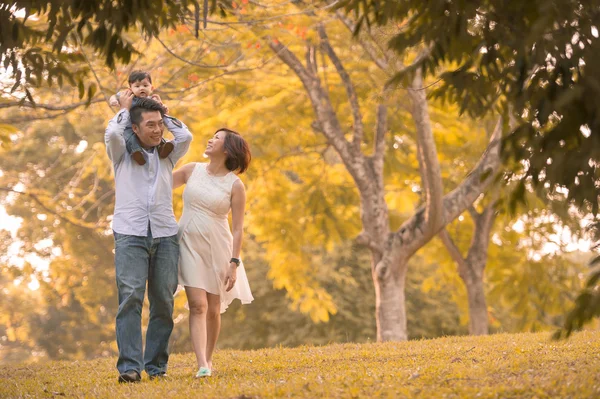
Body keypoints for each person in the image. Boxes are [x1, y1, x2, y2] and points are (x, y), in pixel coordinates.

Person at [105, 96, 193, 383]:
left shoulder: (168, 154)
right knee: (130, 297)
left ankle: (156, 367)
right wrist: (125, 109)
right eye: (150, 125)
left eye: (160, 125)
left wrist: (163, 115)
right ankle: (130, 367)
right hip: (130, 233)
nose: (157, 130)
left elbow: (186, 134)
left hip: (166, 234)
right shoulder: (120, 153)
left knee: (164, 302)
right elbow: (113, 133)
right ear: (135, 127)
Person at [173, 128, 254, 378]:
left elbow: (238, 228)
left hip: (218, 245)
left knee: (213, 306)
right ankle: (202, 364)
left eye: (216, 138)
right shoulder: (191, 170)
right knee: (197, 305)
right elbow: (157, 185)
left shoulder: (235, 185)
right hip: (187, 243)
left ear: (228, 149)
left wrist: (234, 262)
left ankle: (209, 356)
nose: (210, 140)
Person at [109, 70, 174, 165]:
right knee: (130, 138)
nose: (141, 88)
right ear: (130, 89)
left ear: (152, 88)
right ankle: (137, 153)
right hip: (129, 127)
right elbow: (114, 96)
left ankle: (162, 148)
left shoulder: (151, 100)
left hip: (145, 127)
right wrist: (113, 101)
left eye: (145, 85)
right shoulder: (128, 97)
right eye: (137, 86)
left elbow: (159, 110)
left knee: (157, 133)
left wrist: (163, 108)